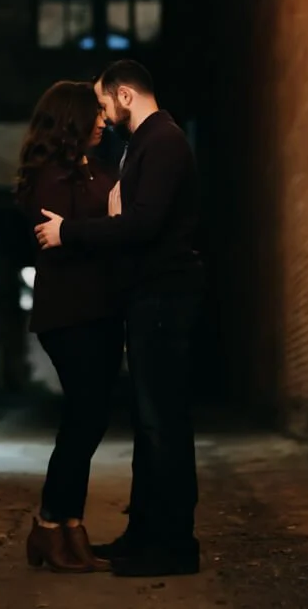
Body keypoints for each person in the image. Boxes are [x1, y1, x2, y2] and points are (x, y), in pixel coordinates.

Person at [35, 60, 202, 579]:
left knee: (162, 424)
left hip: (163, 297)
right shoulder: (142, 145)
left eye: (106, 103)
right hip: (141, 300)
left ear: (125, 95)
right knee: (148, 423)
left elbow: (144, 223)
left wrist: (79, 231)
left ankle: (171, 545)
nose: (103, 115)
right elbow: (129, 221)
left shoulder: (164, 142)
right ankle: (142, 535)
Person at [16, 80, 124, 574]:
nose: (104, 121)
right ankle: (49, 527)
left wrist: (90, 229)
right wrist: (102, 225)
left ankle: (69, 527)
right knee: (83, 419)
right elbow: (83, 232)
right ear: (72, 119)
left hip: (100, 310)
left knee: (92, 418)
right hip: (67, 314)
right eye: (96, 114)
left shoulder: (96, 171)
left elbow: (103, 230)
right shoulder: (47, 175)